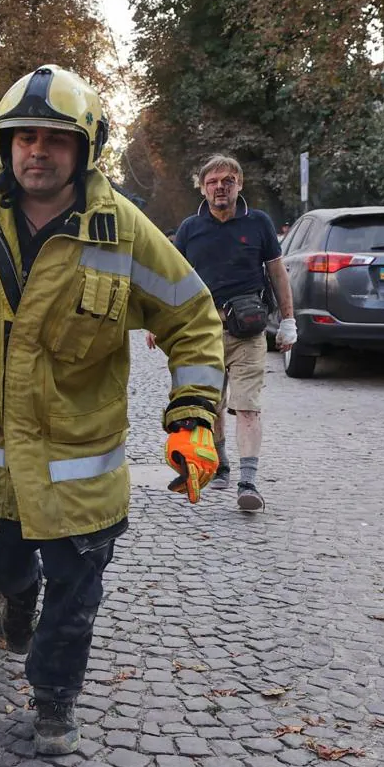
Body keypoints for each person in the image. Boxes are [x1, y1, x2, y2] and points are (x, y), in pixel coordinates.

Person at [0, 65, 224, 755]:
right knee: (3, 568)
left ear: (86, 147)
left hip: (81, 467)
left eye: (55, 139)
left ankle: (54, 700)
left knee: (76, 593)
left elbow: (194, 317)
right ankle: (16, 589)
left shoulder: (120, 232)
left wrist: (191, 416)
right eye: (23, 137)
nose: (37, 150)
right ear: (6, 144)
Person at [150, 155, 294, 511]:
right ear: (202, 187)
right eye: (213, 181)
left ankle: (248, 482)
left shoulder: (258, 223)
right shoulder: (189, 229)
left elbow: (278, 274)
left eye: (228, 180)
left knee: (247, 407)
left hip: (248, 332)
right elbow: (173, 278)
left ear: (239, 185)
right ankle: (221, 463)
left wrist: (289, 320)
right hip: (202, 335)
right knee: (210, 404)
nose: (220, 187)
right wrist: (157, 321)